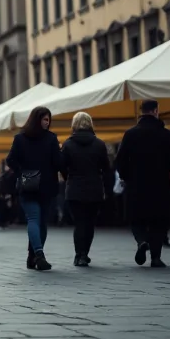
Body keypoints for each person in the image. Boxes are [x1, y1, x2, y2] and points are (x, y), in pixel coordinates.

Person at [115, 99, 170, 268]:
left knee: (137, 218)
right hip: (159, 184)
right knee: (158, 221)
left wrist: (126, 176)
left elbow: (120, 160)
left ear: (141, 112)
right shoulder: (166, 134)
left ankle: (142, 241)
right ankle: (156, 258)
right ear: (156, 111)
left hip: (136, 184)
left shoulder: (130, 134)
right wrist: (163, 169)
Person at [6, 106, 63, 271]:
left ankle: (33, 256)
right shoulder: (51, 139)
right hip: (46, 184)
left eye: (48, 119)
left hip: (28, 183)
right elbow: (58, 162)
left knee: (35, 220)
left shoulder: (20, 138)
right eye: (45, 119)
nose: (48, 122)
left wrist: (22, 171)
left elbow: (10, 160)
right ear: (37, 119)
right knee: (39, 221)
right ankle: (39, 254)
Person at [60, 112, 114, 267]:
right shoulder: (99, 144)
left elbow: (62, 166)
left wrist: (68, 176)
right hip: (94, 188)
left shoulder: (68, 144)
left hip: (74, 188)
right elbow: (106, 168)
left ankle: (78, 255)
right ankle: (85, 254)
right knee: (90, 223)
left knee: (79, 223)